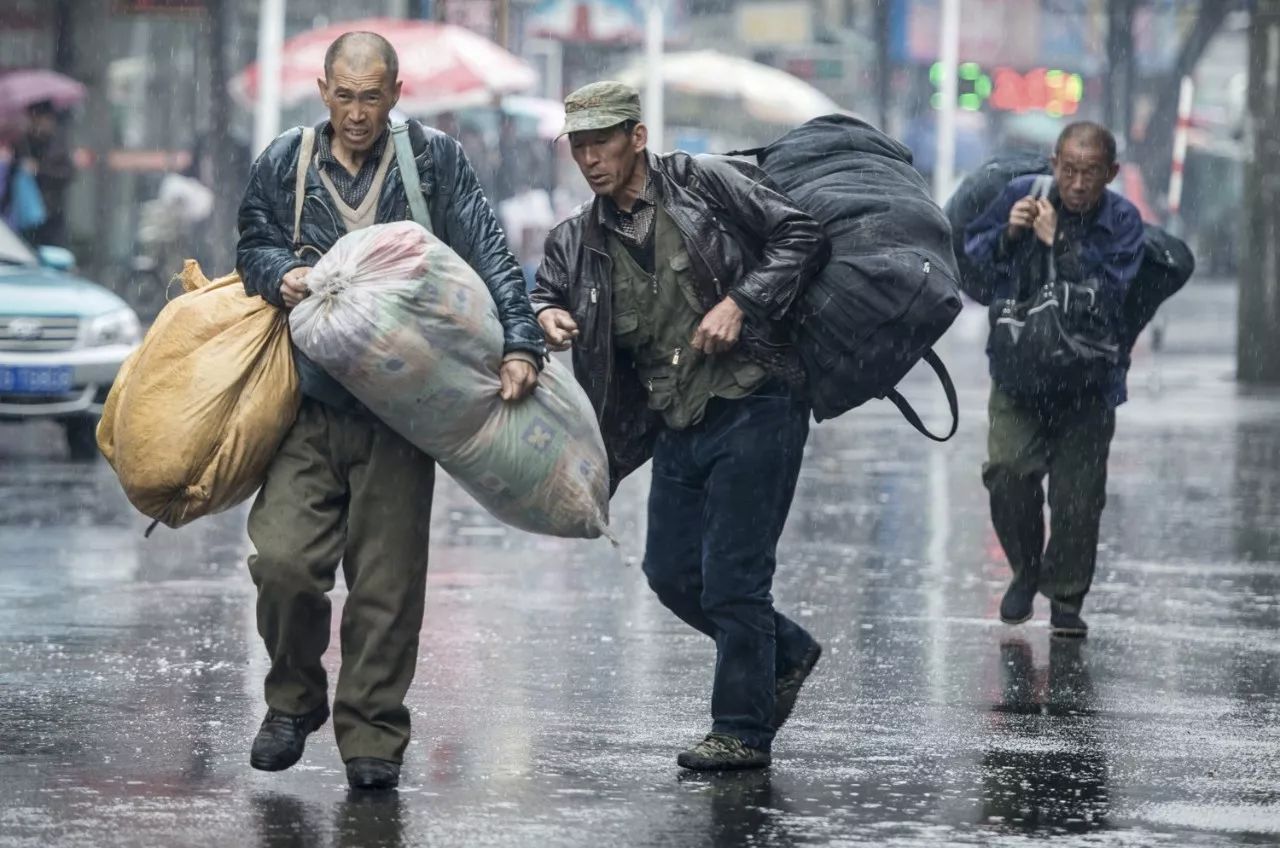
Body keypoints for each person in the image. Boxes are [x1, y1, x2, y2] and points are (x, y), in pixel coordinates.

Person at [236, 31, 544, 791]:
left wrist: (520, 343)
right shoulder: (286, 162)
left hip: (404, 409)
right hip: (306, 405)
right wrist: (287, 275)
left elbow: (488, 248)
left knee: (386, 584)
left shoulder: (433, 161)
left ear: (396, 95)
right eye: (344, 95)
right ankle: (293, 700)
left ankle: (372, 730)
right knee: (283, 564)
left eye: (371, 97)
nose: (356, 112)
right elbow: (251, 245)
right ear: (323, 91)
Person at [531, 82, 829, 770]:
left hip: (756, 400)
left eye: (601, 143)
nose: (590, 160)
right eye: (578, 148)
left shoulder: (706, 183)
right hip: (676, 420)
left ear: (637, 137)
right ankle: (783, 651)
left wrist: (742, 305)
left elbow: (800, 233)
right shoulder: (576, 238)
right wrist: (547, 315)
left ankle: (741, 731)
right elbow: (543, 290)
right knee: (670, 573)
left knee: (733, 578)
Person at [965, 122, 1145, 638]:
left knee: (1078, 498)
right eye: (1069, 170)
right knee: (1007, 472)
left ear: (1110, 173)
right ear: (1053, 164)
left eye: (1091, 173)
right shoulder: (1022, 196)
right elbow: (975, 271)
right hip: (1020, 373)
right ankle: (1024, 568)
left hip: (1088, 383)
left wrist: (1060, 242)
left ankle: (1066, 598)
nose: (1079, 183)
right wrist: (1008, 233)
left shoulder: (1124, 222)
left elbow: (1111, 298)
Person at [11, 100, 75, 246]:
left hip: (50, 214)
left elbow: (67, 174)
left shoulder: (58, 145)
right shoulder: (23, 142)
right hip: (24, 213)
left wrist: (39, 169)